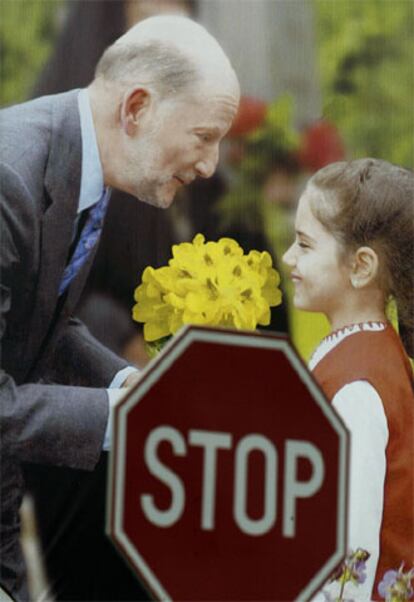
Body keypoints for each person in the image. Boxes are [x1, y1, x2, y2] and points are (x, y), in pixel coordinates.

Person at [0, 14, 240, 601]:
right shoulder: (9, 179)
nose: (209, 166)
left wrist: (133, 384)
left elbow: (43, 325)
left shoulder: (85, 164)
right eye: (204, 136)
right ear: (136, 109)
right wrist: (122, 418)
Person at [282, 158, 413, 599]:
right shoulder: (362, 354)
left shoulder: (360, 386)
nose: (288, 257)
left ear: (361, 266)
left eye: (304, 244)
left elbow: (349, 566)